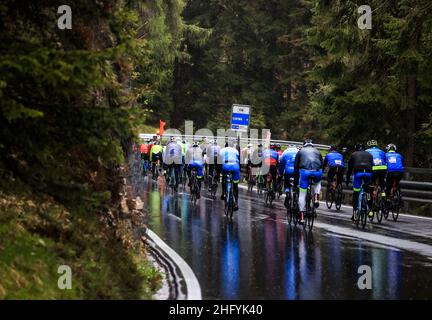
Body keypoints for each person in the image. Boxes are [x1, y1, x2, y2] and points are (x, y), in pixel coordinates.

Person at [294, 139, 323, 224]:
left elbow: (296, 167)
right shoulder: (317, 151)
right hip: (317, 172)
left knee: (302, 194)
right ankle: (316, 196)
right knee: (317, 183)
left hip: (305, 172)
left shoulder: (300, 151)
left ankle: (302, 217)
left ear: (304, 145)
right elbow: (322, 164)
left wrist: (296, 181)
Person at [346, 143, 373, 220]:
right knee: (368, 192)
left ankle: (354, 214)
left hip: (358, 173)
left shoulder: (353, 154)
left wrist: (347, 179)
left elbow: (349, 169)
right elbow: (373, 166)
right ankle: (370, 210)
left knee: (356, 193)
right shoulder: (369, 154)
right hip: (368, 173)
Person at [220, 138, 241, 210]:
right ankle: (236, 203)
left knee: (223, 177)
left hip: (226, 166)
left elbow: (219, 160)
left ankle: (223, 193)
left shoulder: (223, 150)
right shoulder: (236, 150)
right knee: (235, 185)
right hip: (235, 167)